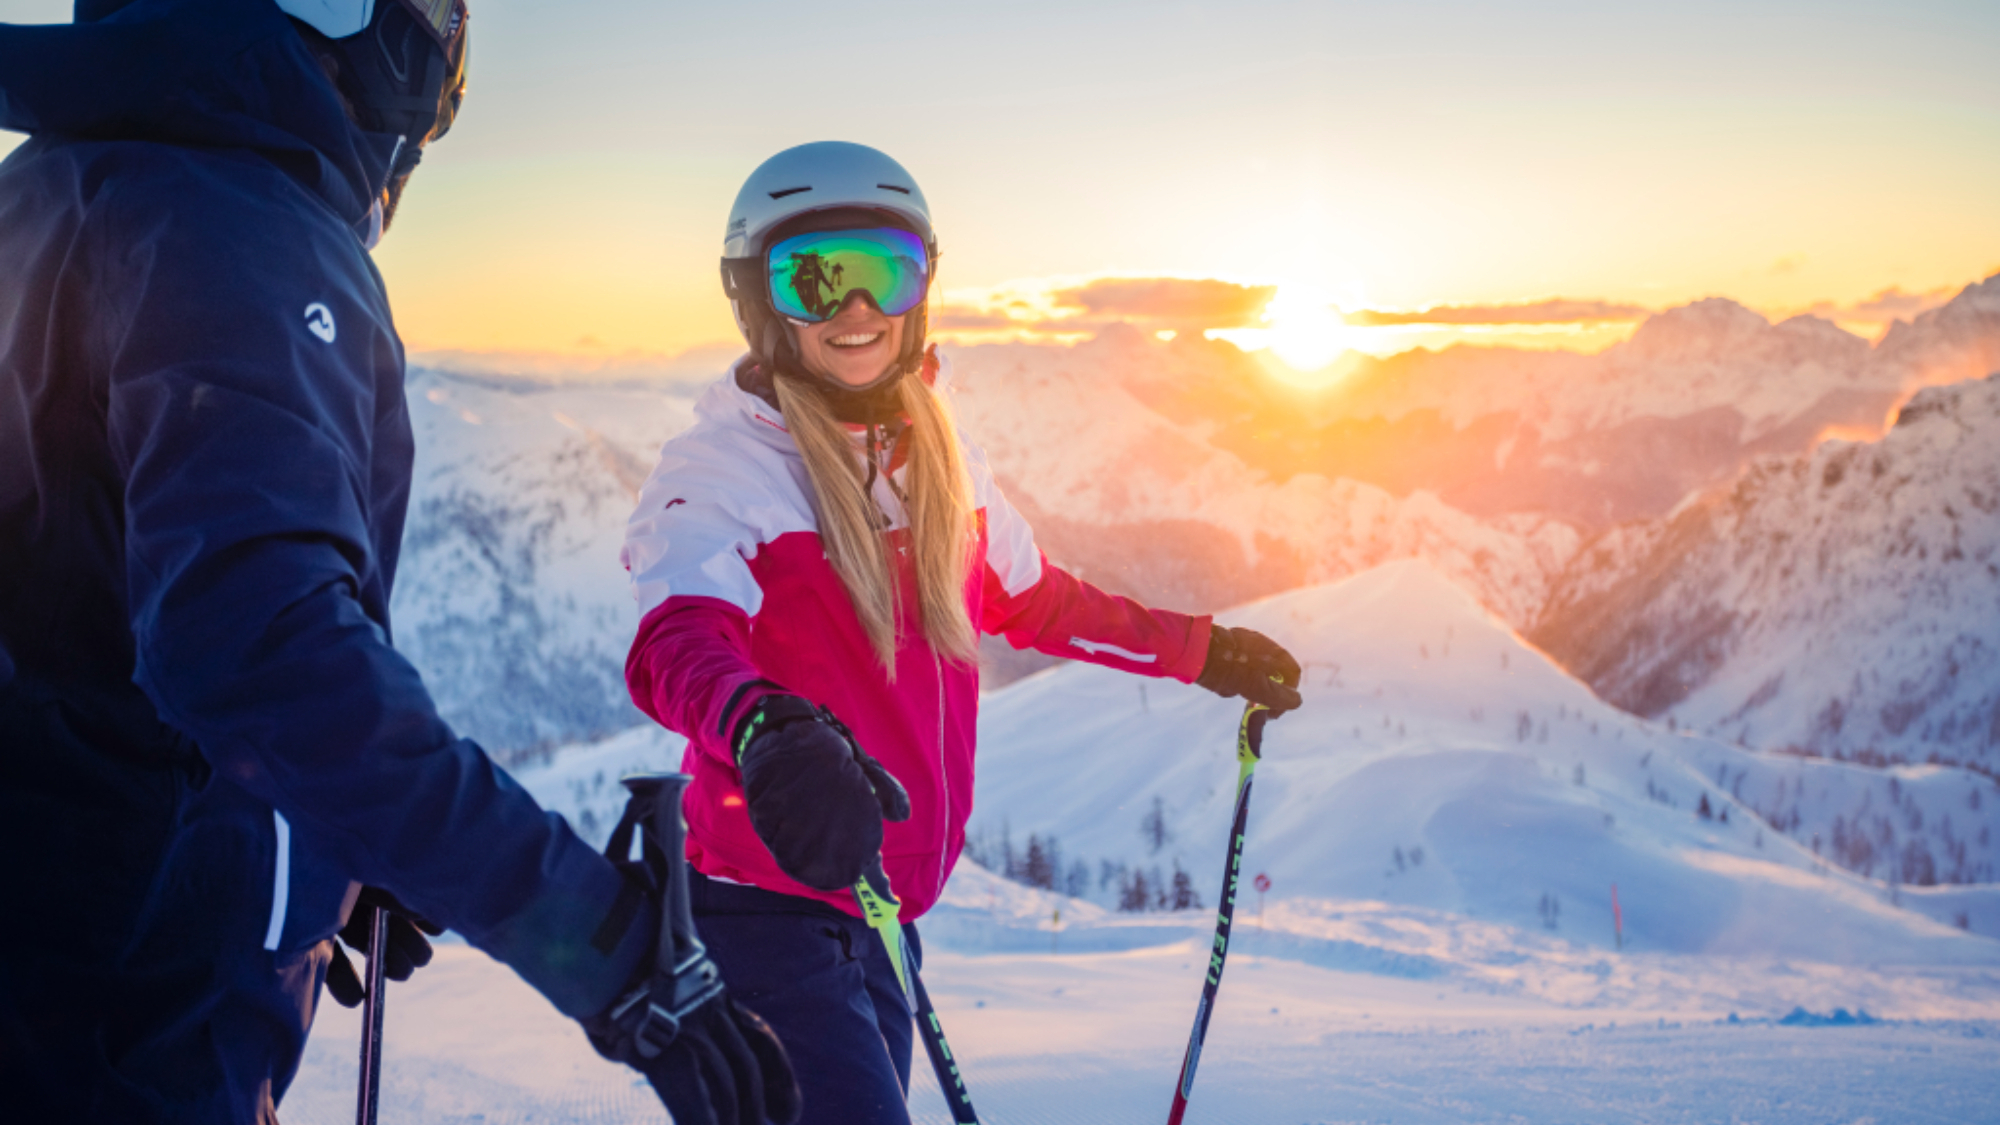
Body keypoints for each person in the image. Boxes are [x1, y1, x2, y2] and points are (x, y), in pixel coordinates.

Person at [0, 3, 794, 1123]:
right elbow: (267, 660)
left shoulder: (58, 191)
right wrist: (615, 946)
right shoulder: (237, 226)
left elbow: (79, 610)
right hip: (123, 1008)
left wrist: (343, 837)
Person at [621, 141, 1304, 1124]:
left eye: (884, 270)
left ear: (922, 286)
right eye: (813, 278)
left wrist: (1200, 652)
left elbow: (1034, 602)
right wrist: (762, 726)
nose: (856, 309)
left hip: (881, 913)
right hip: (759, 908)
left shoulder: (939, 457)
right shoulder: (724, 475)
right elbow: (676, 644)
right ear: (758, 300)